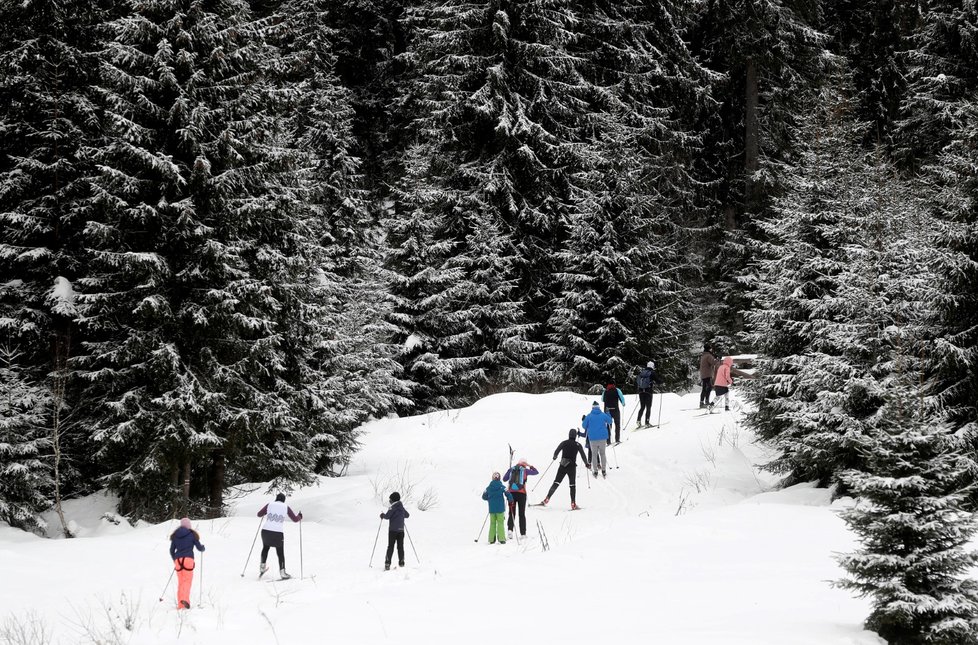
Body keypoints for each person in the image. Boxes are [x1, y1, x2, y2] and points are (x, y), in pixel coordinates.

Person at [540, 429, 590, 509]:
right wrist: (586, 463)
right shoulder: (578, 445)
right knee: (572, 485)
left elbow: (557, 451)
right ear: (576, 436)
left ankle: (547, 498)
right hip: (572, 467)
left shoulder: (564, 443)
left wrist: (555, 456)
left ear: (569, 435)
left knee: (556, 482)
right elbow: (583, 455)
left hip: (563, 465)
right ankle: (573, 503)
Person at [257, 493, 303, 580]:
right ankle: (283, 573)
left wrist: (266, 512)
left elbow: (259, 514)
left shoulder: (269, 504)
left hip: (265, 531)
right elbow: (295, 519)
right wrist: (300, 516)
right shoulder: (286, 507)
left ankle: (262, 567)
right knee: (280, 553)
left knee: (265, 548)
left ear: (276, 498)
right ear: (284, 500)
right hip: (277, 533)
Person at [169, 517, 205, 610]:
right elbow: (199, 547)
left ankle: (180, 605)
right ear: (189, 525)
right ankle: (185, 599)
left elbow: (171, 550)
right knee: (187, 581)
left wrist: (175, 559)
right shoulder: (191, 534)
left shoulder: (175, 535)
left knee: (181, 582)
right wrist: (202, 548)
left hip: (178, 560)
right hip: (188, 559)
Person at [504, 459, 539, 539]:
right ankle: (523, 534)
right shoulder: (525, 470)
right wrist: (530, 465)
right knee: (522, 514)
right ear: (524, 464)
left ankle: (510, 530)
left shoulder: (512, 469)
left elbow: (504, 479)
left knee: (511, 513)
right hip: (522, 494)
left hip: (511, 494)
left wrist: (509, 472)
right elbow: (536, 472)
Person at [582, 401, 613, 478]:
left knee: (594, 455)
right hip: (602, 438)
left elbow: (584, 426)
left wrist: (584, 419)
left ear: (592, 408)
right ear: (599, 407)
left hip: (593, 438)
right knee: (602, 454)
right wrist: (608, 413)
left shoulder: (589, 416)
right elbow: (610, 421)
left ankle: (595, 471)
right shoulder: (603, 415)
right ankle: (603, 470)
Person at [380, 491, 410, 570]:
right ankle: (401, 562)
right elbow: (407, 515)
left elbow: (387, 516)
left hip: (392, 531)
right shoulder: (401, 507)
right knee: (400, 547)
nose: (389, 501)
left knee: (390, 547)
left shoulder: (392, 507)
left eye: (390, 499)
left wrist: (382, 515)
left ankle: (387, 563)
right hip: (401, 531)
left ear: (393, 500)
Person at [482, 473, 513, 544]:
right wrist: (510, 500)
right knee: (500, 523)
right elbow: (508, 493)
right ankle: (501, 539)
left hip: (492, 509)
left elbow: (484, 496)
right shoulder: (501, 486)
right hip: (500, 509)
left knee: (492, 523)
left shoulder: (488, 488)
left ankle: (491, 539)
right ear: (499, 478)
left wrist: (489, 499)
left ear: (492, 478)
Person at [635, 361, 663, 428]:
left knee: (642, 407)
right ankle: (647, 422)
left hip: (641, 391)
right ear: (652, 366)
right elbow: (658, 381)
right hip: (648, 391)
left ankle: (638, 420)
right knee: (648, 407)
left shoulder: (642, 372)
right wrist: (661, 381)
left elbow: (637, 381)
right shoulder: (652, 373)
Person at [699, 344, 720, 408]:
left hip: (704, 374)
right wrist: (718, 359)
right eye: (711, 348)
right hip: (707, 374)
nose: (712, 349)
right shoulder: (708, 355)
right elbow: (714, 363)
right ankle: (705, 402)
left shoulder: (704, 355)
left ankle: (703, 402)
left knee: (705, 388)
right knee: (708, 388)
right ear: (709, 349)